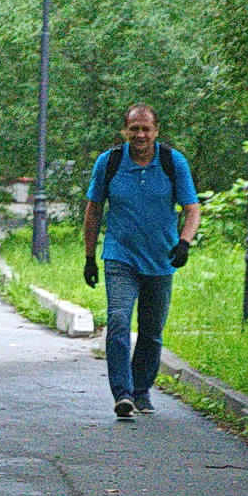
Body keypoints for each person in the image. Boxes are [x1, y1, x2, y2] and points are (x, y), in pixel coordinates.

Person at [82, 103, 201, 418]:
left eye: (146, 128)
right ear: (125, 131)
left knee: (151, 329)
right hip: (120, 255)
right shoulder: (109, 163)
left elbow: (192, 209)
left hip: (161, 258)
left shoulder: (172, 162)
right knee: (119, 321)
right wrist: (89, 257)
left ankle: (141, 389)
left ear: (156, 131)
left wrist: (184, 243)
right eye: (134, 128)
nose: (140, 134)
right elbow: (93, 210)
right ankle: (122, 393)